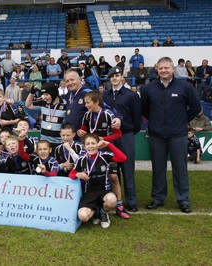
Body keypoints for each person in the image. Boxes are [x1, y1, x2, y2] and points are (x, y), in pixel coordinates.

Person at [141, 57, 202, 213]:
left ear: (173, 69)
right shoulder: (149, 89)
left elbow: (196, 108)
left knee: (180, 169)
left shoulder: (185, 87)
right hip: (156, 136)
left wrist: (182, 120)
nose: (163, 71)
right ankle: (158, 198)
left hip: (178, 135)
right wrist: (155, 122)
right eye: (160, 68)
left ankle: (183, 200)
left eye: (166, 68)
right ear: (157, 69)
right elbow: (144, 110)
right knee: (158, 168)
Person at [103, 66, 142, 213]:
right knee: (112, 171)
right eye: (112, 76)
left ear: (122, 78)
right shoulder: (105, 95)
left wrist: (128, 130)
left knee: (128, 169)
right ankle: (115, 200)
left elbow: (137, 119)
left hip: (126, 135)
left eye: (117, 75)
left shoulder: (131, 96)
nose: (114, 78)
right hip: (110, 137)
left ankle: (131, 201)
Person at [68, 133, 127, 228]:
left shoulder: (104, 156)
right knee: (83, 217)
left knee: (112, 200)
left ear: (98, 144)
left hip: (103, 190)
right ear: (84, 146)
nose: (90, 146)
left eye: (93, 143)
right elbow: (71, 174)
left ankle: (103, 212)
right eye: (88, 144)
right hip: (89, 193)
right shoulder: (81, 159)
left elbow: (123, 158)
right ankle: (97, 211)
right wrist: (77, 174)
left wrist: (108, 144)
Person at [25, 82, 68, 149]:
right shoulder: (43, 103)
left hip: (59, 143)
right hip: (44, 142)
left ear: (53, 94)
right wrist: (32, 93)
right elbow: (28, 105)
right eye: (43, 94)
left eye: (46, 94)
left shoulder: (65, 104)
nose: (44, 97)